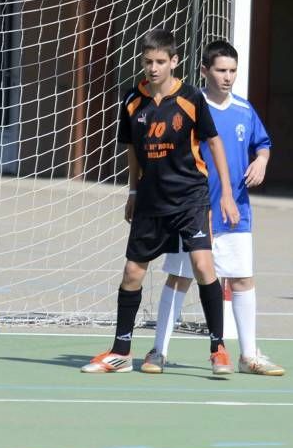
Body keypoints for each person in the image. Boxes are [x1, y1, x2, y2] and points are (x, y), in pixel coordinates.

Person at [81, 29, 240, 375]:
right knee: (132, 272)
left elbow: (214, 144)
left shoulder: (191, 98)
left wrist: (226, 193)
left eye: (160, 62)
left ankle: (218, 349)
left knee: (202, 266)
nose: (153, 68)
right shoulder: (132, 100)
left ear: (174, 62)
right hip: (151, 200)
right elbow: (133, 150)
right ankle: (121, 351)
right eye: (148, 62)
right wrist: (133, 192)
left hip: (190, 198)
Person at [141, 40, 285, 376]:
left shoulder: (244, 110)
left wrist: (262, 160)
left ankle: (249, 355)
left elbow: (262, 144)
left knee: (241, 280)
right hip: (191, 209)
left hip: (236, 211)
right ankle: (158, 351)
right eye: (221, 70)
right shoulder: (187, 107)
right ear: (204, 70)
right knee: (179, 278)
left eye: (232, 71)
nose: (227, 77)